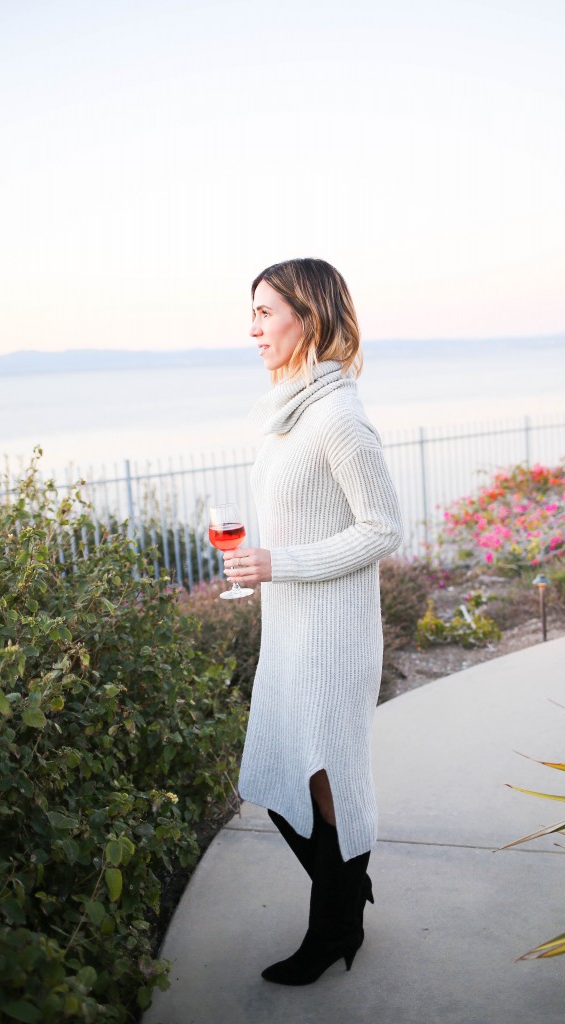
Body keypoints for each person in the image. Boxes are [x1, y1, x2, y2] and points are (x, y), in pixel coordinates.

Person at [223, 258, 403, 985]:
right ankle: (346, 888)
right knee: (278, 780)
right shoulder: (291, 409)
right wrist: (268, 568)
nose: (253, 327)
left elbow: (383, 528)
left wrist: (277, 564)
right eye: (253, 312)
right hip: (292, 628)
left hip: (332, 637)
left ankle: (330, 931)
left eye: (266, 311)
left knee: (324, 788)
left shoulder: (338, 416)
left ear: (311, 315)